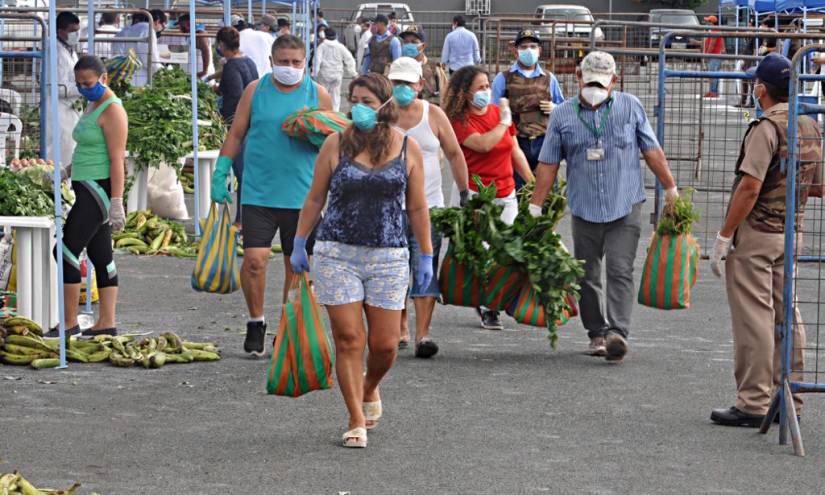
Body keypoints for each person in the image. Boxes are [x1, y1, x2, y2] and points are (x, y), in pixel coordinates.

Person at [290, 73, 433, 448]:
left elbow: (417, 207)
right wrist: (300, 241)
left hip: (388, 255)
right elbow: (315, 198)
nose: (359, 108)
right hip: (336, 252)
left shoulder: (407, 148)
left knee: (385, 346)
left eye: (367, 101)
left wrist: (427, 255)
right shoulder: (335, 144)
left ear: (386, 105)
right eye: (354, 100)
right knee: (349, 338)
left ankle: (370, 386)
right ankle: (355, 417)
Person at [528, 51, 679, 362]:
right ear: (578, 78)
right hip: (584, 206)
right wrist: (536, 206)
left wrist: (671, 187)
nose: (595, 87)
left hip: (624, 203)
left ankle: (618, 334)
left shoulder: (630, 107)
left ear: (614, 81)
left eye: (602, 81)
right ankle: (597, 332)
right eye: (589, 80)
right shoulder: (563, 115)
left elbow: (651, 149)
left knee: (620, 269)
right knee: (587, 273)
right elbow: (548, 163)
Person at [709, 55, 824, 427]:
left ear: (761, 88)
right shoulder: (809, 124)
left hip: (758, 233)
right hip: (791, 232)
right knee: (787, 314)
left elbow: (750, 186)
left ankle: (753, 401)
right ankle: (788, 395)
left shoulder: (766, 126)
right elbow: (819, 186)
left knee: (754, 319)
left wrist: (725, 234)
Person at [210, 35, 332, 356]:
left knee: (297, 268)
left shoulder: (318, 94)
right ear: (271, 62)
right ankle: (255, 320)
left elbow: (334, 142)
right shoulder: (256, 91)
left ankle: (286, 326)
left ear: (305, 63)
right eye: (283, 62)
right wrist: (222, 169)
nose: (289, 68)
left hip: (303, 197)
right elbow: (237, 133)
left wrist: (311, 133)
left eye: (296, 62)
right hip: (258, 192)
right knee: (254, 261)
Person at [443, 65, 534, 330]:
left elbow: (514, 151)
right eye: (480, 87)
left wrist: (533, 186)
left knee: (504, 250)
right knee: (481, 251)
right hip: (476, 193)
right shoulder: (458, 120)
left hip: (506, 193)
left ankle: (493, 302)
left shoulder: (498, 113)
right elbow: (482, 144)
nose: (486, 91)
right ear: (465, 93)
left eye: (487, 86)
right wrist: (504, 123)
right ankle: (487, 307)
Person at [388, 57, 469, 356]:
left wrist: (464, 192)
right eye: (397, 83)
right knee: (393, 269)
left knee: (425, 267)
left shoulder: (433, 115)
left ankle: (423, 335)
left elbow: (454, 153)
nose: (402, 88)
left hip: (429, 207)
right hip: (389, 208)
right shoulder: (381, 116)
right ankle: (400, 328)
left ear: (421, 85)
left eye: (408, 83)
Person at [44, 56, 127, 340]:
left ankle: (68, 322)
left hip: (98, 189)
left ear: (104, 78)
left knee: (65, 251)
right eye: (79, 84)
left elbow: (117, 159)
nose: (83, 88)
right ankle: (107, 322)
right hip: (84, 182)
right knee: (101, 254)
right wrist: (67, 171)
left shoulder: (113, 110)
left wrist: (117, 201)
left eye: (88, 83)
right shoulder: (93, 104)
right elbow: (91, 148)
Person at [491, 29, 565, 190]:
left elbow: (565, 111)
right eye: (523, 47)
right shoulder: (503, 79)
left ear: (539, 50)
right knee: (518, 191)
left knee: (548, 195)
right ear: (515, 51)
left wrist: (555, 109)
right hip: (516, 144)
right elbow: (493, 113)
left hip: (544, 143)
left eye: (533, 46)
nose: (529, 50)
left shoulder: (549, 78)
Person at [215, 27, 258, 224]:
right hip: (253, 122)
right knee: (246, 173)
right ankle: (243, 220)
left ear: (222, 45)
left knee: (242, 174)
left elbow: (235, 95)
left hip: (238, 125)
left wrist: (226, 120)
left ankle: (241, 221)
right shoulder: (248, 61)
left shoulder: (232, 66)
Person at [45, 12, 81, 173]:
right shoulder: (54, 51)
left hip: (69, 108)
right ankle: (55, 192)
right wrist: (83, 87)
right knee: (59, 153)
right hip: (58, 110)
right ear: (60, 32)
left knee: (69, 150)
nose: (77, 34)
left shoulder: (69, 49)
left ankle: (65, 192)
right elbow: (56, 86)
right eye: (73, 31)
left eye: (78, 30)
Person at [112, 10, 166, 87]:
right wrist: (162, 71)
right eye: (163, 25)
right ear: (157, 21)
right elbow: (150, 59)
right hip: (140, 78)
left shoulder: (127, 30)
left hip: (125, 75)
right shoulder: (148, 30)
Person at [398, 25, 448, 106]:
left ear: (423, 46)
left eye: (414, 42)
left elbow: (445, 95)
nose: (408, 45)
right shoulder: (397, 67)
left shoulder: (434, 68)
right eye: (406, 42)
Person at [313, 28, 358, 112]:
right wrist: (353, 73)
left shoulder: (322, 46)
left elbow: (317, 60)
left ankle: (323, 113)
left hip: (324, 75)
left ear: (325, 36)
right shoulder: (340, 46)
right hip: (337, 75)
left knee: (322, 95)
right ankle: (335, 114)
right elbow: (349, 59)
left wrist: (314, 73)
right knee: (336, 96)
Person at [232, 15, 274, 79]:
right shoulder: (267, 36)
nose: (259, 27)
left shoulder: (237, 39)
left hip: (249, 80)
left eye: (260, 25)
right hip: (268, 79)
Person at [177, 14, 213, 80]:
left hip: (201, 74)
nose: (179, 28)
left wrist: (204, 71)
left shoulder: (199, 33)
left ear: (188, 23)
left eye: (181, 25)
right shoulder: (190, 34)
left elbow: (205, 50)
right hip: (193, 73)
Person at [703, 15, 724, 98]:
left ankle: (713, 91)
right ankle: (712, 91)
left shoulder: (714, 31)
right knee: (713, 74)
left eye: (708, 21)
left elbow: (712, 45)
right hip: (714, 55)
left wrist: (706, 56)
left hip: (714, 55)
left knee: (713, 74)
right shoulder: (713, 30)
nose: (707, 23)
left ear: (712, 23)